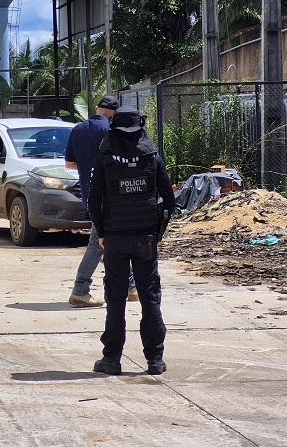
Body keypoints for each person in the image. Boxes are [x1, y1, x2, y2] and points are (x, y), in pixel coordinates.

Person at [88, 106, 176, 376]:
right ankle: (155, 361)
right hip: (144, 238)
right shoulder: (152, 158)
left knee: (116, 300)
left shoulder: (104, 159)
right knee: (149, 299)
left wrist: (102, 232)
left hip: (115, 238)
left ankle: (112, 360)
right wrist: (157, 232)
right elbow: (170, 201)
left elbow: (93, 202)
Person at [65, 95, 137, 307]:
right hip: (113, 196)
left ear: (97, 108)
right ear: (114, 114)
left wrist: (89, 167)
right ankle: (80, 289)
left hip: (90, 196)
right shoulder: (113, 131)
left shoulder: (77, 130)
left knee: (113, 241)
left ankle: (131, 288)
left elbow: (70, 163)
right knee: (98, 244)